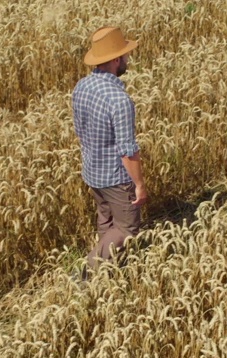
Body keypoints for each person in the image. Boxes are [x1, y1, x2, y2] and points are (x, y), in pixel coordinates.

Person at [72, 27, 147, 275]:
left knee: (107, 223)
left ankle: (109, 274)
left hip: (92, 171)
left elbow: (80, 129)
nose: (127, 59)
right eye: (125, 56)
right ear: (116, 60)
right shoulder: (119, 99)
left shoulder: (81, 86)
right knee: (126, 228)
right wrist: (139, 184)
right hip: (115, 178)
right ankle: (86, 274)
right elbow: (127, 151)